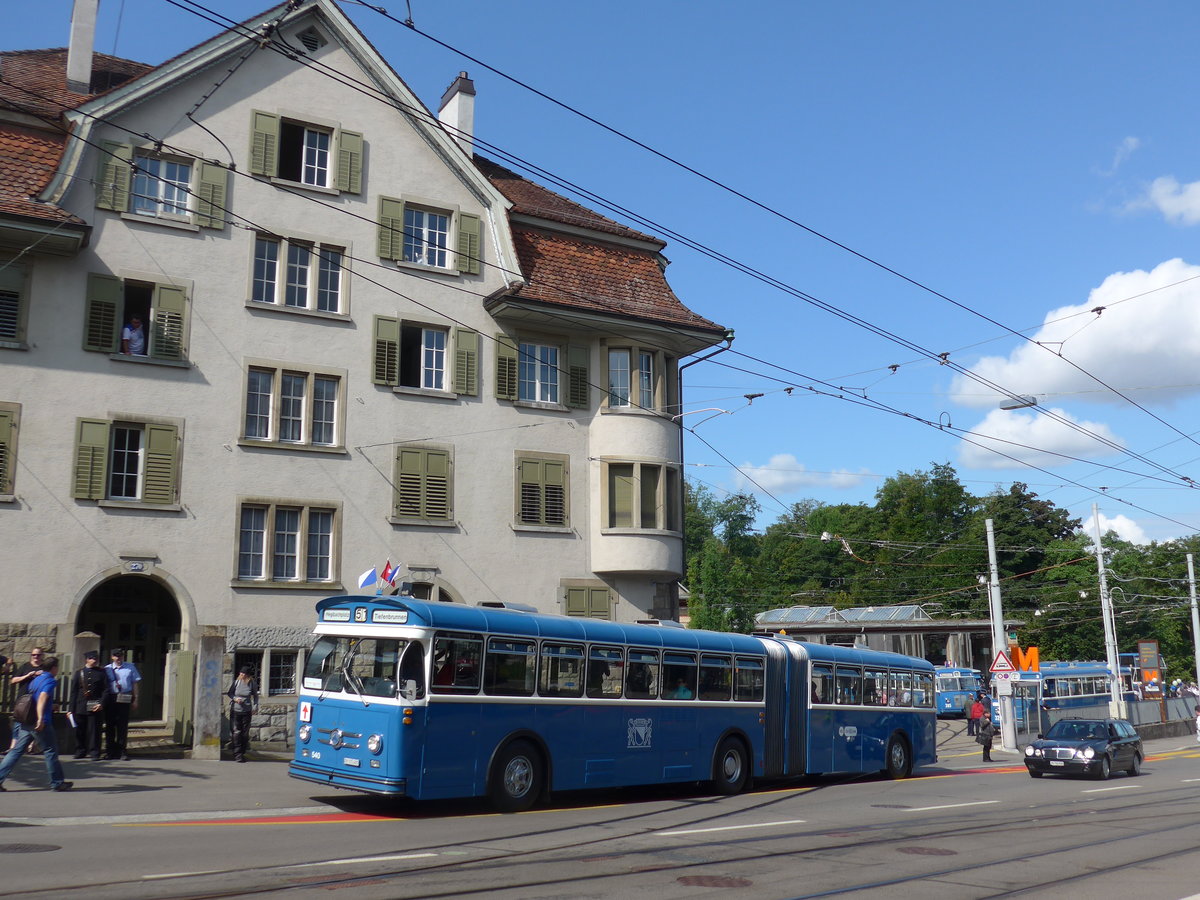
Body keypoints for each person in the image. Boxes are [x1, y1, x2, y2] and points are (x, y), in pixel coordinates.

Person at [0, 656, 72, 792]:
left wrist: (51, 706)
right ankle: (57, 783)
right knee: (51, 751)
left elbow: (34, 698)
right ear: (54, 668)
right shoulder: (50, 680)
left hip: (27, 721)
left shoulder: (36, 679)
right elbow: (42, 698)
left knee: (16, 751)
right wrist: (40, 719)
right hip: (41, 722)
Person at [103, 648, 141, 760]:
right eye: (116, 656)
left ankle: (122, 751)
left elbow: (135, 684)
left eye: (120, 656)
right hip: (111, 698)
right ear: (112, 657)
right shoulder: (107, 669)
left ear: (123, 657)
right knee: (110, 726)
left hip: (125, 697)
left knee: (122, 726)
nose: (118, 658)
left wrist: (136, 699)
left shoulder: (130, 667)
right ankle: (110, 751)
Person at [70, 651, 106, 760]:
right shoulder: (79, 673)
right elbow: (74, 692)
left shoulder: (101, 673)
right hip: (81, 705)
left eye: (96, 658)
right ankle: (80, 750)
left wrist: (101, 703)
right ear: (87, 659)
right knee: (80, 730)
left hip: (95, 705)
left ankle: (94, 752)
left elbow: (105, 690)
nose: (94, 660)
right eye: (92, 658)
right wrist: (71, 709)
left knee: (94, 730)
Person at [10, 647, 46, 753]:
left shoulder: (44, 669)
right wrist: (27, 676)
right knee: (18, 723)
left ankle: (31, 746)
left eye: (38, 655)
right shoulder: (25, 666)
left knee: (34, 723)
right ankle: (13, 747)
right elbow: (13, 680)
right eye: (33, 655)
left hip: (37, 700)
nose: (36, 657)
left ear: (42, 656)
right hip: (23, 700)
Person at [227, 666, 259, 763]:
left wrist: (255, 706)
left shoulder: (252, 683)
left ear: (247, 675)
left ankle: (242, 751)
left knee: (244, 734)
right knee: (237, 732)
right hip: (236, 710)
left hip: (246, 711)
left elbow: (255, 696)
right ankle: (238, 755)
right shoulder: (236, 682)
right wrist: (235, 699)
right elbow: (230, 693)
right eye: (240, 673)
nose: (241, 675)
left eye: (243, 674)